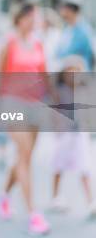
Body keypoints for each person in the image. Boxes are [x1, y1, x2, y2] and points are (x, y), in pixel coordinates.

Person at [0, 4, 52, 235]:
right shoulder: (9, 44)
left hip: (35, 106)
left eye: (36, 18)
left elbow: (44, 76)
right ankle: (33, 214)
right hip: (12, 104)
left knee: (24, 157)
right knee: (25, 156)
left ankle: (4, 196)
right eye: (29, 17)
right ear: (19, 19)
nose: (33, 21)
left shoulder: (38, 43)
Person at [48, 55, 96, 217]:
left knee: (85, 167)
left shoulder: (84, 89)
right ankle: (55, 197)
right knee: (58, 165)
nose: (73, 76)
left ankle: (91, 202)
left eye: (77, 72)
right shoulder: (59, 89)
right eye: (70, 72)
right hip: (64, 134)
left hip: (80, 134)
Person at [57, 1, 95, 71]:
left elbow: (84, 54)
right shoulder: (67, 29)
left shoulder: (84, 30)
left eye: (65, 10)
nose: (63, 13)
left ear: (71, 11)